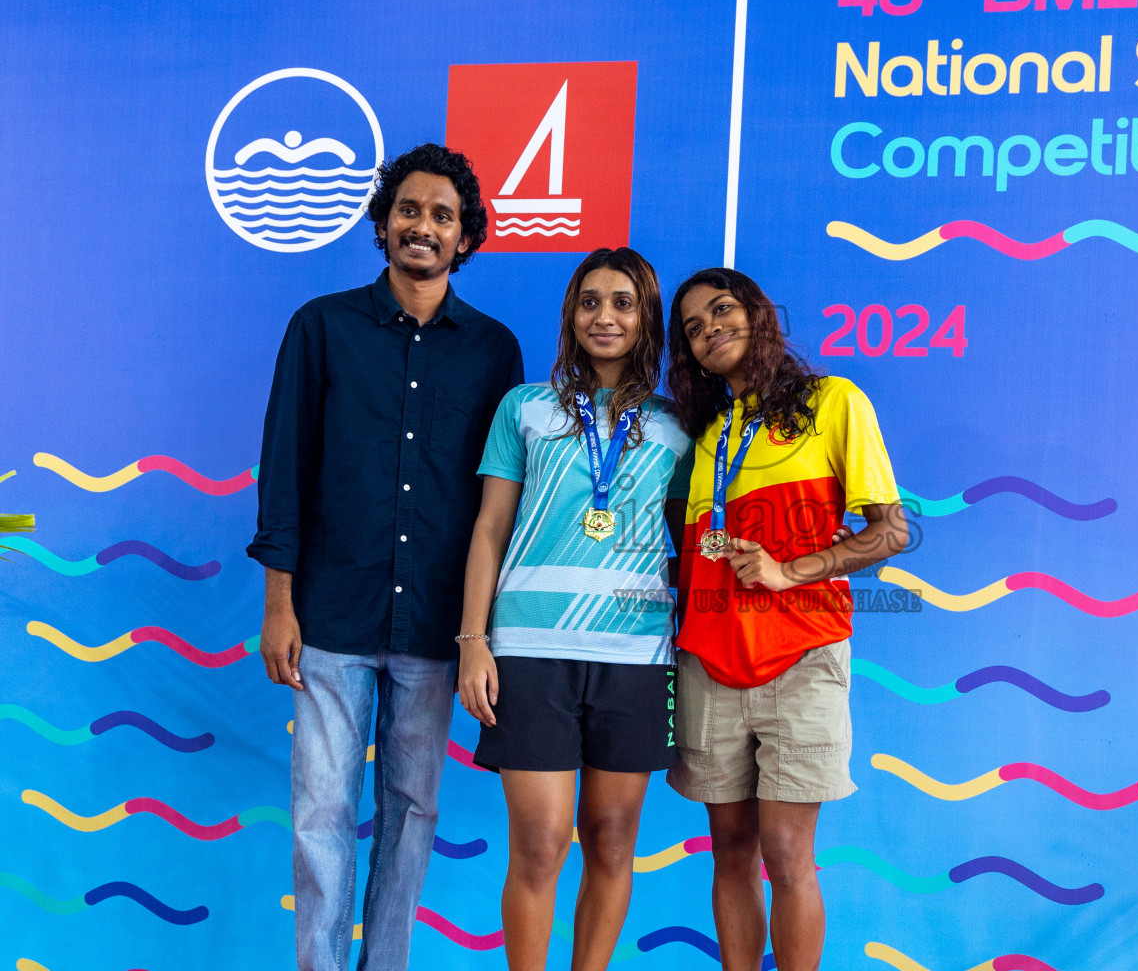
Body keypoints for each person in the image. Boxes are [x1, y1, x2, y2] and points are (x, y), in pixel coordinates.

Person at [248, 143, 523, 971]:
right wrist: (278, 604)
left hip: (437, 626)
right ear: (383, 222)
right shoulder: (320, 327)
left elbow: (497, 504)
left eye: (443, 216)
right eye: (410, 210)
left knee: (413, 811)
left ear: (465, 237)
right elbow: (285, 468)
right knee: (321, 811)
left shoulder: (494, 350)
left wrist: (481, 632)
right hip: (331, 614)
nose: (424, 227)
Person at [665, 268, 909, 971]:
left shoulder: (834, 402)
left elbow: (890, 531)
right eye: (693, 327)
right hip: (709, 663)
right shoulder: (705, 432)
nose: (709, 329)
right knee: (731, 854)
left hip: (803, 658)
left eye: (721, 311)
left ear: (759, 316)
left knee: (789, 854)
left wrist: (789, 569)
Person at [456, 247, 692, 971]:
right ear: (570, 315)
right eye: (589, 301)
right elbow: (490, 527)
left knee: (614, 839)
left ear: (646, 316)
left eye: (622, 302)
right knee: (539, 841)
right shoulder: (523, 407)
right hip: (530, 652)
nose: (604, 316)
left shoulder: (680, 426)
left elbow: (689, 547)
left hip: (637, 657)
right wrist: (473, 640)